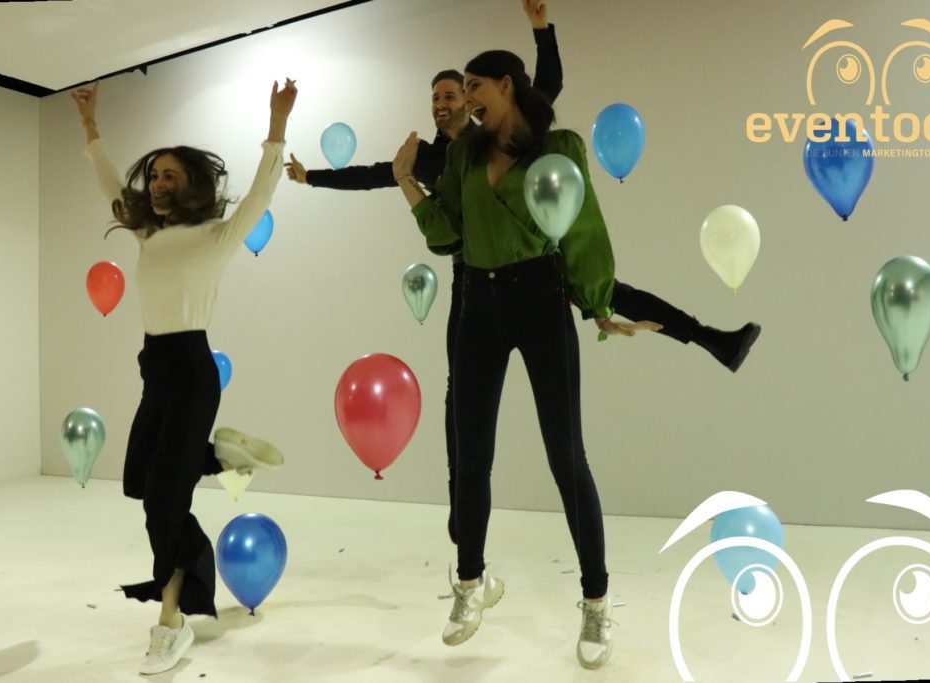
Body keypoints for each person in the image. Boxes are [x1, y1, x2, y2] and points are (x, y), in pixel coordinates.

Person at [288, 0, 760, 548]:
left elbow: (546, 83)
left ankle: (712, 338)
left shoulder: (514, 134)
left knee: (613, 293)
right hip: (475, 283)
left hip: (535, 266)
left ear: (482, 97)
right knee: (461, 400)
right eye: (438, 97)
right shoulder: (440, 159)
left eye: (456, 93)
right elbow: (374, 175)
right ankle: (464, 513)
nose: (447, 103)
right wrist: (311, 177)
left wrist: (542, 30)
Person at [393, 49, 643, 670]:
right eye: (463, 88)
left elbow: (583, 227)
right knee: (471, 455)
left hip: (540, 299)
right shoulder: (464, 154)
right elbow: (447, 234)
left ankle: (595, 600)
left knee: (566, 457)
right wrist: (406, 183)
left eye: (475, 86)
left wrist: (597, 305)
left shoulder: (557, 146)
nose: (467, 98)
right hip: (478, 305)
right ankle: (470, 585)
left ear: (506, 85)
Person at [72, 77, 296, 675]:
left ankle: (170, 623)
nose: (158, 182)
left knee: (163, 505)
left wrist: (276, 125)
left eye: (170, 175)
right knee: (138, 480)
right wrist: (91, 126)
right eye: (154, 175)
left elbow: (261, 191)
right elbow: (111, 186)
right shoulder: (148, 234)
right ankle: (220, 456)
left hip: (194, 374)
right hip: (157, 372)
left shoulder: (217, 236)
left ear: (192, 184)